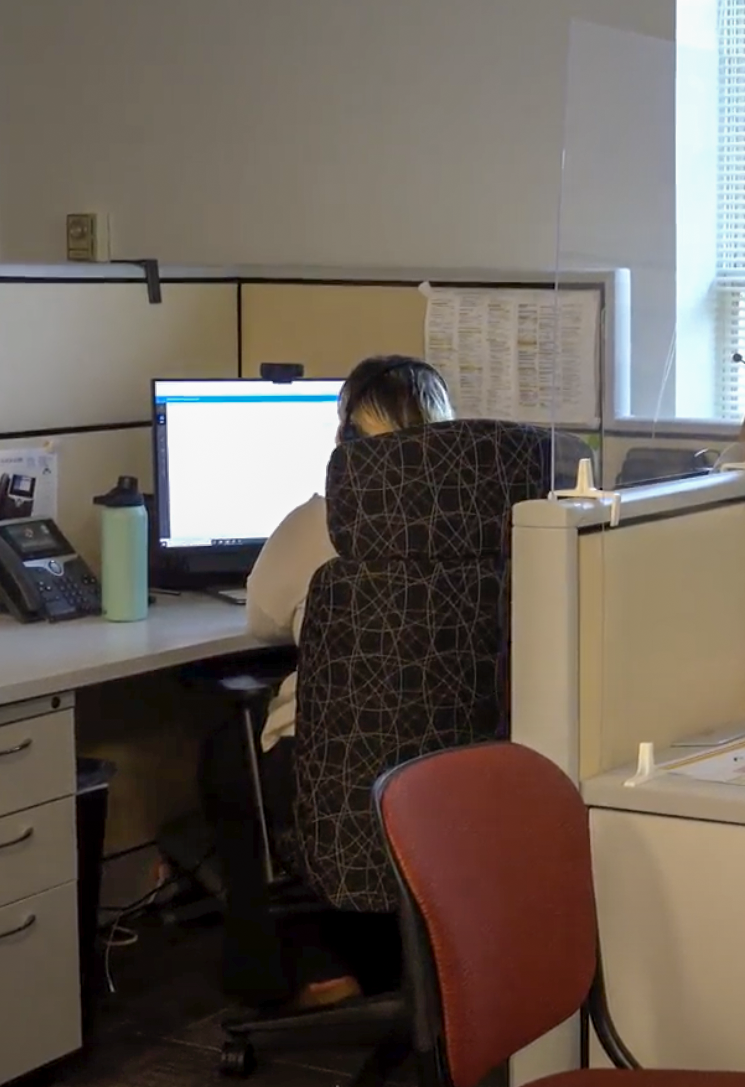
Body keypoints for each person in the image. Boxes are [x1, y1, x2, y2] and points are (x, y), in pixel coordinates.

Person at [197, 355, 454, 1009]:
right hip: (454, 768)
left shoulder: (320, 519)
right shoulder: (485, 516)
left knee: (230, 761)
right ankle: (407, 960)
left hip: (336, 767)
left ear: (344, 442)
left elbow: (261, 621)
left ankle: (311, 966)